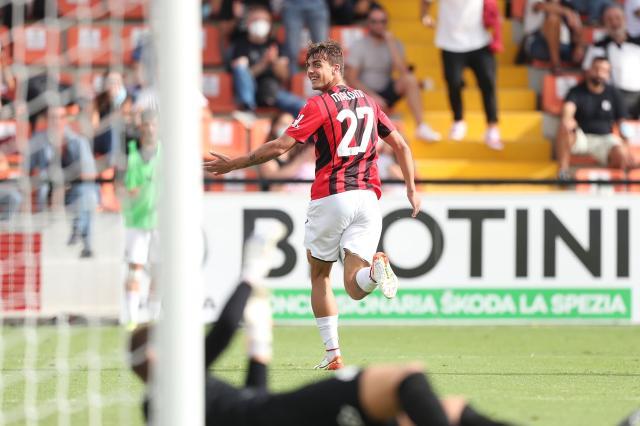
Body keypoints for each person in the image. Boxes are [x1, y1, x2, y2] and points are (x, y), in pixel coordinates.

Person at [130, 224, 512, 426]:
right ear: (154, 356)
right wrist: (252, 271)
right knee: (405, 379)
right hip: (287, 414)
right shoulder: (168, 390)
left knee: (450, 410)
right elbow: (226, 327)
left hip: (278, 413)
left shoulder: (175, 397)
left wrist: (259, 348)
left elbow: (251, 404)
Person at [205, 40, 421, 370]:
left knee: (320, 275)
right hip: (368, 199)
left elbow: (280, 147)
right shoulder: (369, 102)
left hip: (332, 197)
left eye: (317, 65)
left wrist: (234, 164)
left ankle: (333, 354)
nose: (310, 72)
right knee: (355, 287)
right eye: (308, 66)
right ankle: (375, 272)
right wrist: (411, 189)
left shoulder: (319, 105)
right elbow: (402, 146)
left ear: (337, 68)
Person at [345, 7, 441, 142]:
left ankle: (421, 127)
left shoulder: (395, 43)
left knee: (410, 80)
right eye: (374, 21)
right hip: (364, 94)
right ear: (368, 23)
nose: (379, 25)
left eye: (382, 21)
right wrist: (372, 97)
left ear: (387, 23)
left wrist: (391, 44)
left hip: (386, 91)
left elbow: (404, 72)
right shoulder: (359, 45)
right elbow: (351, 78)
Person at [420, 0, 503, 150]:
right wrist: (424, 15)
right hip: (450, 42)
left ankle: (492, 127)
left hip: (480, 40)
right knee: (454, 83)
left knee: (488, 83)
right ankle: (458, 121)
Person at [556, 57, 635, 180]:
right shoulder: (576, 91)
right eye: (596, 69)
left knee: (621, 153)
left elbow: (622, 123)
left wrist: (625, 146)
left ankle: (618, 182)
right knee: (564, 126)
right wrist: (568, 120)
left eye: (603, 70)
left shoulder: (614, 93)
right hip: (582, 137)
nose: (599, 73)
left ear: (608, 74)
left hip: (606, 139)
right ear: (589, 70)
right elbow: (568, 111)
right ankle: (563, 172)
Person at [230, 5, 305, 118]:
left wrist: (274, 62)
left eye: (264, 20)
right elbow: (242, 76)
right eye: (256, 20)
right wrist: (263, 64)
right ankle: (248, 109)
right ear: (248, 23)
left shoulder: (275, 45)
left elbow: (284, 76)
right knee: (240, 67)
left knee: (304, 106)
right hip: (251, 90)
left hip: (272, 91)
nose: (260, 23)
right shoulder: (240, 45)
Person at [122, 110, 160, 330]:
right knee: (134, 269)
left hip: (160, 222)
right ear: (141, 127)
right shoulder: (132, 153)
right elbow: (126, 188)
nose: (150, 129)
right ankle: (132, 317)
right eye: (147, 125)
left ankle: (154, 316)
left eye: (154, 124)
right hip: (137, 221)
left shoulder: (166, 153)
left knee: (159, 270)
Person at [582, 4, 640, 119]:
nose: (614, 23)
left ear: (625, 19)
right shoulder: (597, 47)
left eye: (617, 18)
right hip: (610, 99)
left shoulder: (638, 44)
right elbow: (588, 75)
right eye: (609, 19)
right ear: (604, 23)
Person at [257, 112, 315, 192]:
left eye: (291, 125)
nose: (287, 128)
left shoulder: (299, 151)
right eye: (283, 124)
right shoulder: (266, 155)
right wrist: (301, 161)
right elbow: (273, 177)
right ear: (274, 127)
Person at [522, 0, 583, 74]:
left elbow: (578, 29)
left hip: (565, 47)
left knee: (589, 51)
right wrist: (566, 12)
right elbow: (539, 6)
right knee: (553, 18)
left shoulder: (568, 5)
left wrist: (579, 46)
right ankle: (556, 65)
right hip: (537, 44)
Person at [282, 0, 330, 76]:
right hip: (292, 5)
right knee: (292, 51)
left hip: (317, 4)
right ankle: (293, 80)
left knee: (322, 50)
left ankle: (322, 78)